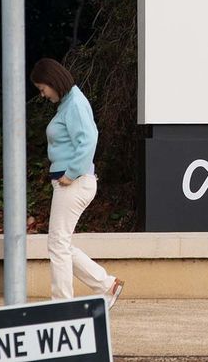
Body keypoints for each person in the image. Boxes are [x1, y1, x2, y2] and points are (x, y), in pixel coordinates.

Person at [30, 58, 125, 307]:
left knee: (58, 243)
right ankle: (107, 285)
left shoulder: (74, 103)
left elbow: (89, 139)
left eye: (42, 89)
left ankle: (62, 304)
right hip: (72, 181)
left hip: (75, 182)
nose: (42, 94)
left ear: (52, 81)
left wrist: (70, 173)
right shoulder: (69, 103)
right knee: (60, 242)